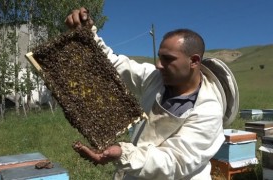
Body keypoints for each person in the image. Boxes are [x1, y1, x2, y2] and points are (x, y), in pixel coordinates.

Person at [65, 7, 239, 180]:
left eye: (168, 59)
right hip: (137, 171)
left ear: (193, 61)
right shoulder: (155, 78)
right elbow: (115, 66)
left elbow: (174, 162)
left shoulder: (208, 110)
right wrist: (89, 35)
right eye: (159, 57)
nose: (158, 65)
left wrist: (122, 153)